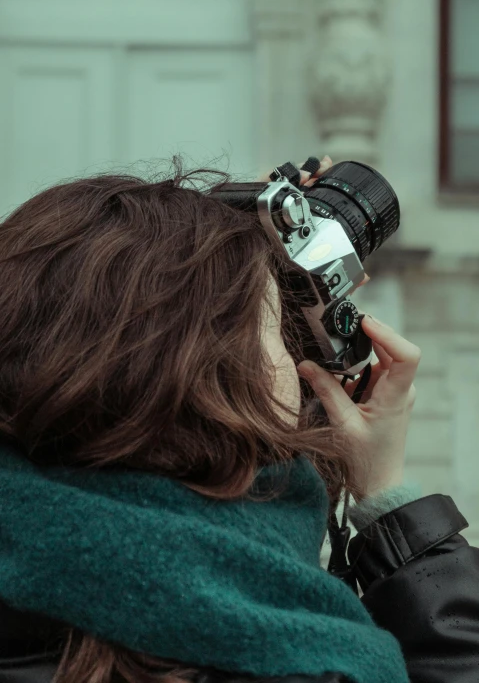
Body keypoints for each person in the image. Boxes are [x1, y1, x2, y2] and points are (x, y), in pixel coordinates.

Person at [0, 155, 477, 683]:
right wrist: (388, 500)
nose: (299, 359)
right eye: (275, 329)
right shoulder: (296, 660)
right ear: (215, 379)